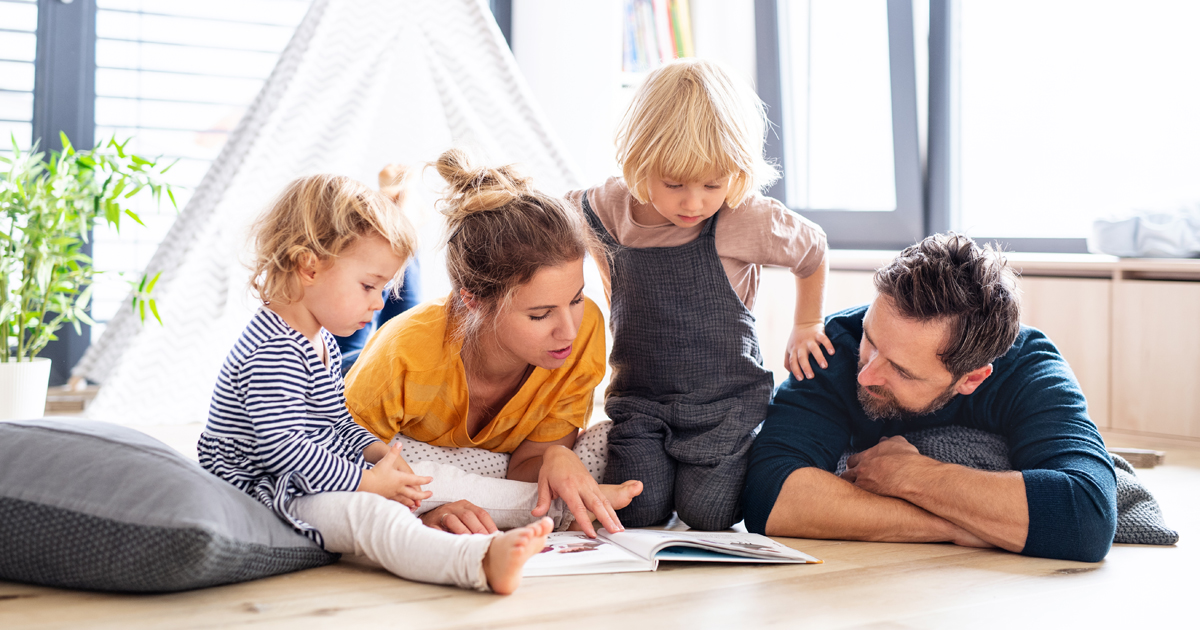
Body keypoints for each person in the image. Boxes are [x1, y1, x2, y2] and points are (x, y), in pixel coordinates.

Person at [197, 174, 551, 594]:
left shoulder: (319, 339)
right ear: (308, 266)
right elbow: (284, 450)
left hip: (309, 478)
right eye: (369, 286)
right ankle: (475, 562)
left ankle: (558, 509)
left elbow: (336, 423)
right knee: (372, 515)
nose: (380, 302)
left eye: (383, 288)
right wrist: (367, 483)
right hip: (270, 496)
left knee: (424, 476)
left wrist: (380, 453)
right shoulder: (272, 351)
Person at [564, 58, 830, 530]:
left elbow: (813, 250)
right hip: (641, 401)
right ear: (639, 161)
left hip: (723, 407)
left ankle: (753, 447)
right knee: (639, 512)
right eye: (673, 184)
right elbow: (546, 223)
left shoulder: (744, 217)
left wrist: (806, 323)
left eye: (712, 184)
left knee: (710, 514)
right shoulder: (605, 208)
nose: (694, 203)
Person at [743, 233, 1118, 563]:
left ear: (972, 378)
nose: (866, 373)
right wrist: (957, 526)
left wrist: (909, 475)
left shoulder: (1030, 368)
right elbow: (768, 495)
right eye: (870, 341)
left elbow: (1088, 517)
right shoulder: (834, 346)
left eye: (902, 370)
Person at [345, 149, 643, 538]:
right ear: (472, 298)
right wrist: (419, 517)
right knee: (359, 318)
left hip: (445, 337)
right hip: (367, 364)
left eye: (575, 299)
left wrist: (556, 456)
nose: (569, 331)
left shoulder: (583, 332)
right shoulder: (403, 353)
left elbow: (523, 469)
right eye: (540, 315)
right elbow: (341, 467)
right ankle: (394, 211)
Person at [333, 165, 422, 375]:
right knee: (404, 339)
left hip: (342, 363)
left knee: (399, 336)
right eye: (368, 287)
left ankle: (398, 225)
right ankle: (399, 224)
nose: (379, 302)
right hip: (345, 368)